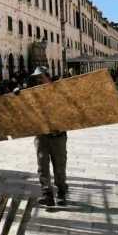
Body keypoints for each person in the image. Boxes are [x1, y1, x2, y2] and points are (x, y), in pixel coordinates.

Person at [31, 66, 68, 207]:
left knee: (59, 165)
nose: (38, 80)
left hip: (58, 135)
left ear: (47, 76)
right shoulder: (33, 93)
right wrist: (17, 95)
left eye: (40, 77)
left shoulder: (59, 91)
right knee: (42, 166)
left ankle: (61, 193)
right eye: (36, 78)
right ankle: (47, 195)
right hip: (41, 135)